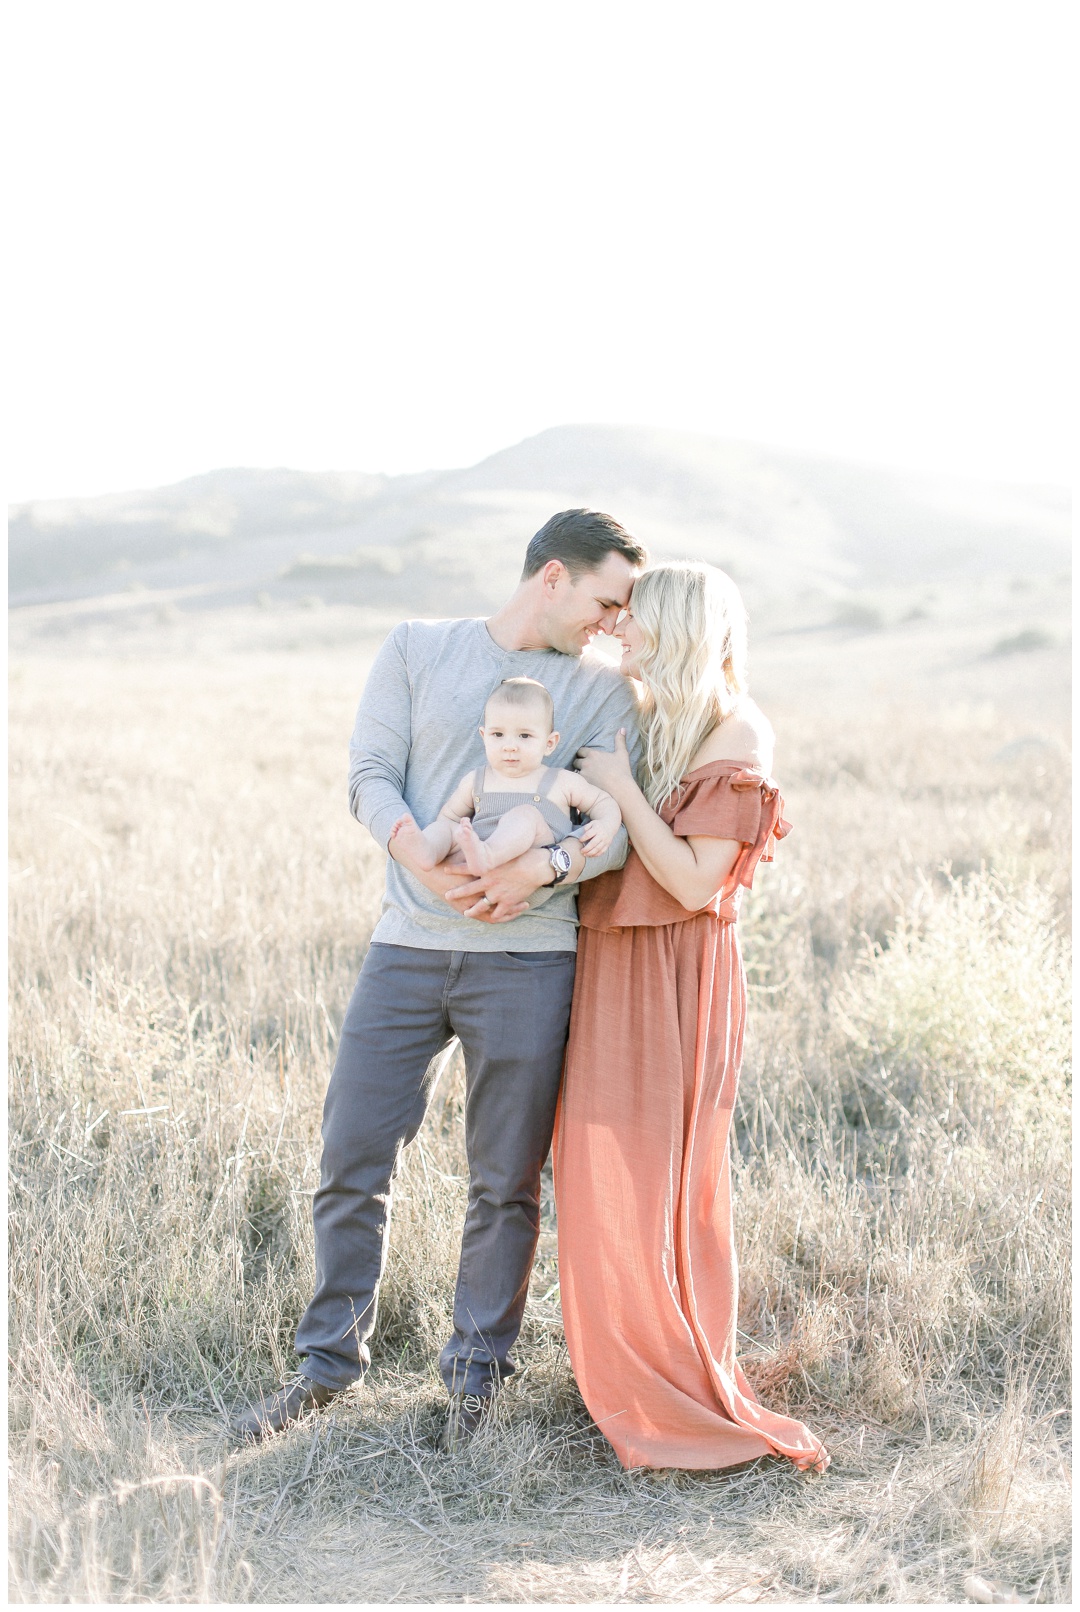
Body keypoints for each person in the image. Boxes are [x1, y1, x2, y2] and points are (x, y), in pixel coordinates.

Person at [235, 509, 646, 1445]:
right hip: (405, 950)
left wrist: (545, 868)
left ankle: (474, 1384)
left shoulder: (601, 695)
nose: (611, 624)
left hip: (530, 963)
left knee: (504, 1182)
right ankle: (327, 1368)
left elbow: (611, 822)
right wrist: (416, 850)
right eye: (604, 600)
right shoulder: (417, 649)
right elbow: (370, 773)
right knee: (352, 1157)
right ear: (553, 576)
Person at [554, 560, 828, 1474]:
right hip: (614, 961)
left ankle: (674, 1374)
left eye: (635, 621)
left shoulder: (737, 731)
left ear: (675, 629)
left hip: (676, 973)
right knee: (599, 1165)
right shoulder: (651, 711)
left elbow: (695, 882)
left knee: (667, 1174)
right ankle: (623, 1358)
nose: (620, 633)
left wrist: (624, 789)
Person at [389, 676, 621, 879]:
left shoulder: (560, 781)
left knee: (526, 815)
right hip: (477, 852)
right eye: (498, 734)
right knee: (447, 828)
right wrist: (447, 836)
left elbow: (603, 802)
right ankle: (426, 851)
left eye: (524, 736)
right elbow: (449, 817)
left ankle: (488, 855)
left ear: (549, 743)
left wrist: (606, 825)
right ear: (484, 736)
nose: (510, 746)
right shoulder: (476, 780)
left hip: (533, 858)